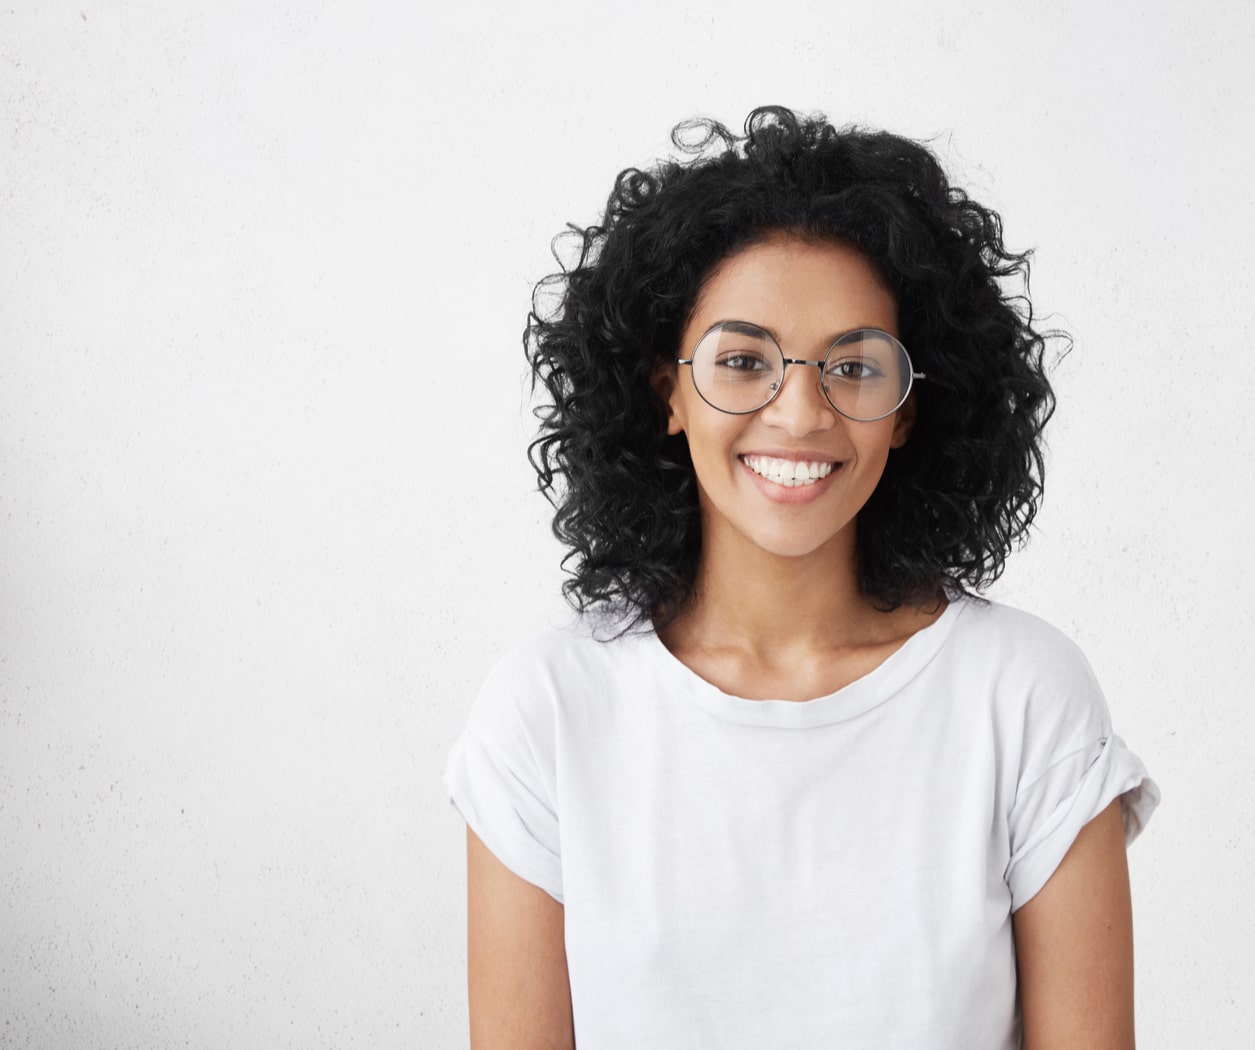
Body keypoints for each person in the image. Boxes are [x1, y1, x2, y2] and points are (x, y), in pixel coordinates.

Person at [444, 105, 1159, 1050]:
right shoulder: (548, 714)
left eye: (853, 368)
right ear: (666, 391)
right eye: (743, 361)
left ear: (907, 413)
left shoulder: (1024, 698)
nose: (799, 413)